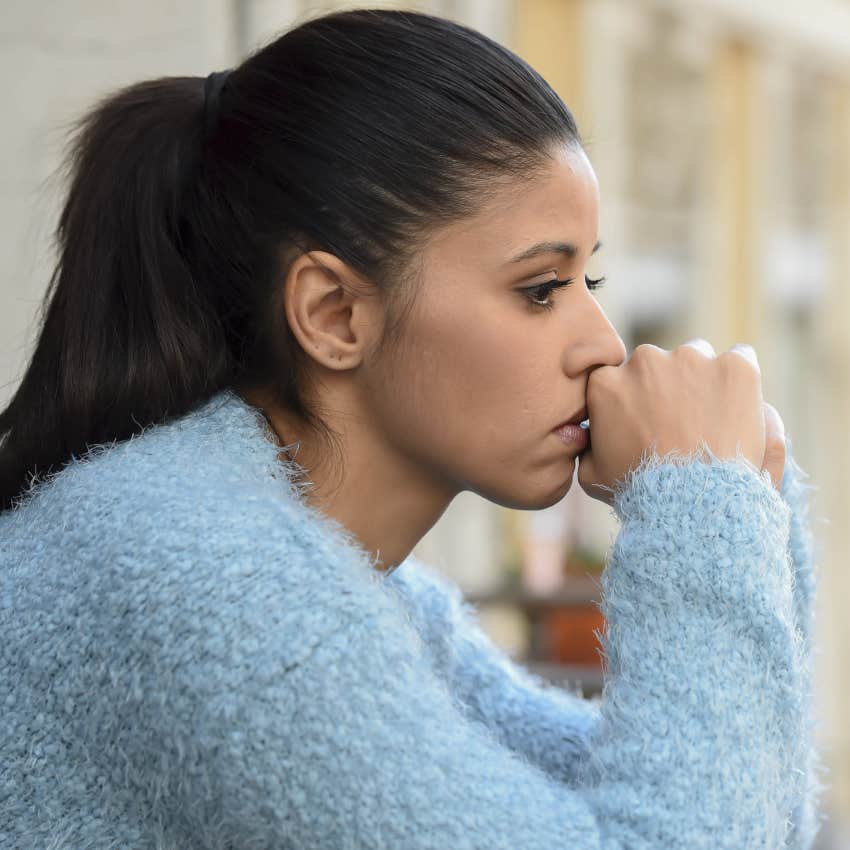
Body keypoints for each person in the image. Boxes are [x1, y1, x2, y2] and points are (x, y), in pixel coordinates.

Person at [0, 8, 826, 848]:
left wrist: (743, 492)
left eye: (593, 279)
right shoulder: (208, 581)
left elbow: (743, 813)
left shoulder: (351, 588)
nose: (604, 344)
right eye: (542, 288)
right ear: (334, 314)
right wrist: (698, 501)